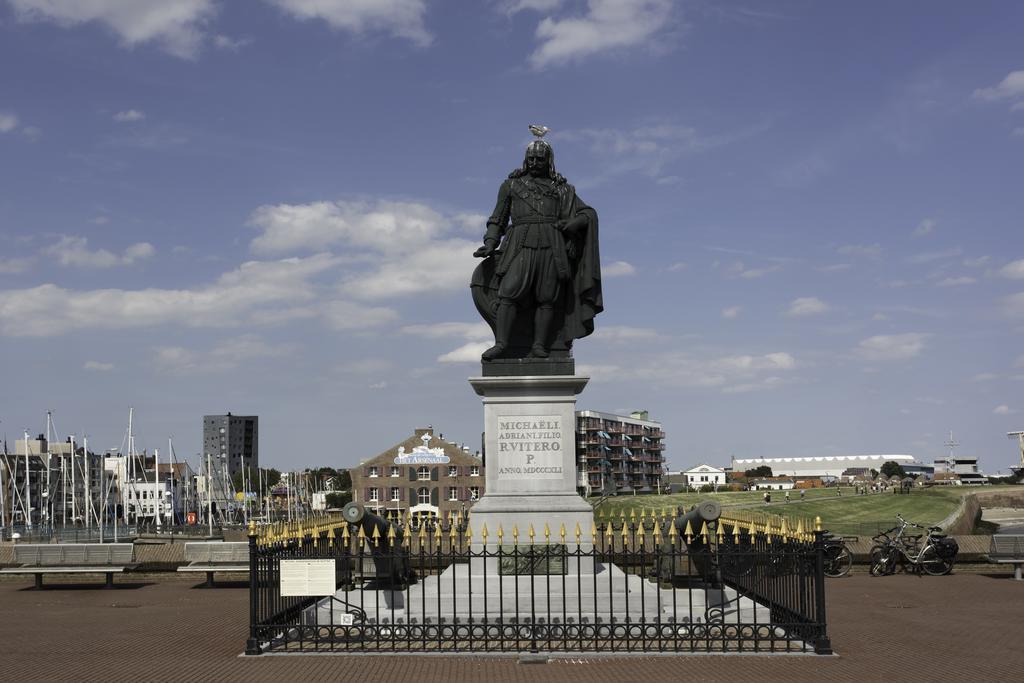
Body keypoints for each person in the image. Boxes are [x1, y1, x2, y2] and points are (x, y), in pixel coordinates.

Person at [473, 132, 602, 360]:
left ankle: (540, 346)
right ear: (525, 160)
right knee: (509, 292)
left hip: (551, 244)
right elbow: (498, 219)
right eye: (531, 159)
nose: (534, 163)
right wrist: (490, 242)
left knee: (547, 297)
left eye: (539, 159)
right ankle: (502, 343)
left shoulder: (562, 189)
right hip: (519, 243)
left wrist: (572, 224)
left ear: (548, 161)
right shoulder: (511, 185)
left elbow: (588, 213)